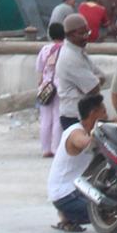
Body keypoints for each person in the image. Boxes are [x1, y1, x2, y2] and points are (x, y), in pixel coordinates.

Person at [48, 94, 107, 233]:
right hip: (65, 194)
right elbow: (86, 143)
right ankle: (68, 214)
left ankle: (67, 216)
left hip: (74, 190)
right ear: (93, 114)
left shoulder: (85, 129)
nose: (106, 115)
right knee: (106, 212)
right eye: (103, 112)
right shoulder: (75, 132)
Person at [53, 14, 105, 130]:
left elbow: (102, 76)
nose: (86, 37)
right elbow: (93, 88)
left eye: (87, 32)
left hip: (83, 114)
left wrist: (94, 80)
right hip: (74, 116)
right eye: (82, 34)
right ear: (70, 35)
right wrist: (94, 80)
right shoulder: (70, 57)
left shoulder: (78, 52)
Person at [35, 22, 68, 157]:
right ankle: (56, 148)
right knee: (57, 118)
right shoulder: (66, 49)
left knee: (45, 119)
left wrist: (41, 82)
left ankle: (45, 149)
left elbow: (39, 68)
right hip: (60, 86)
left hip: (46, 87)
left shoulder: (45, 49)